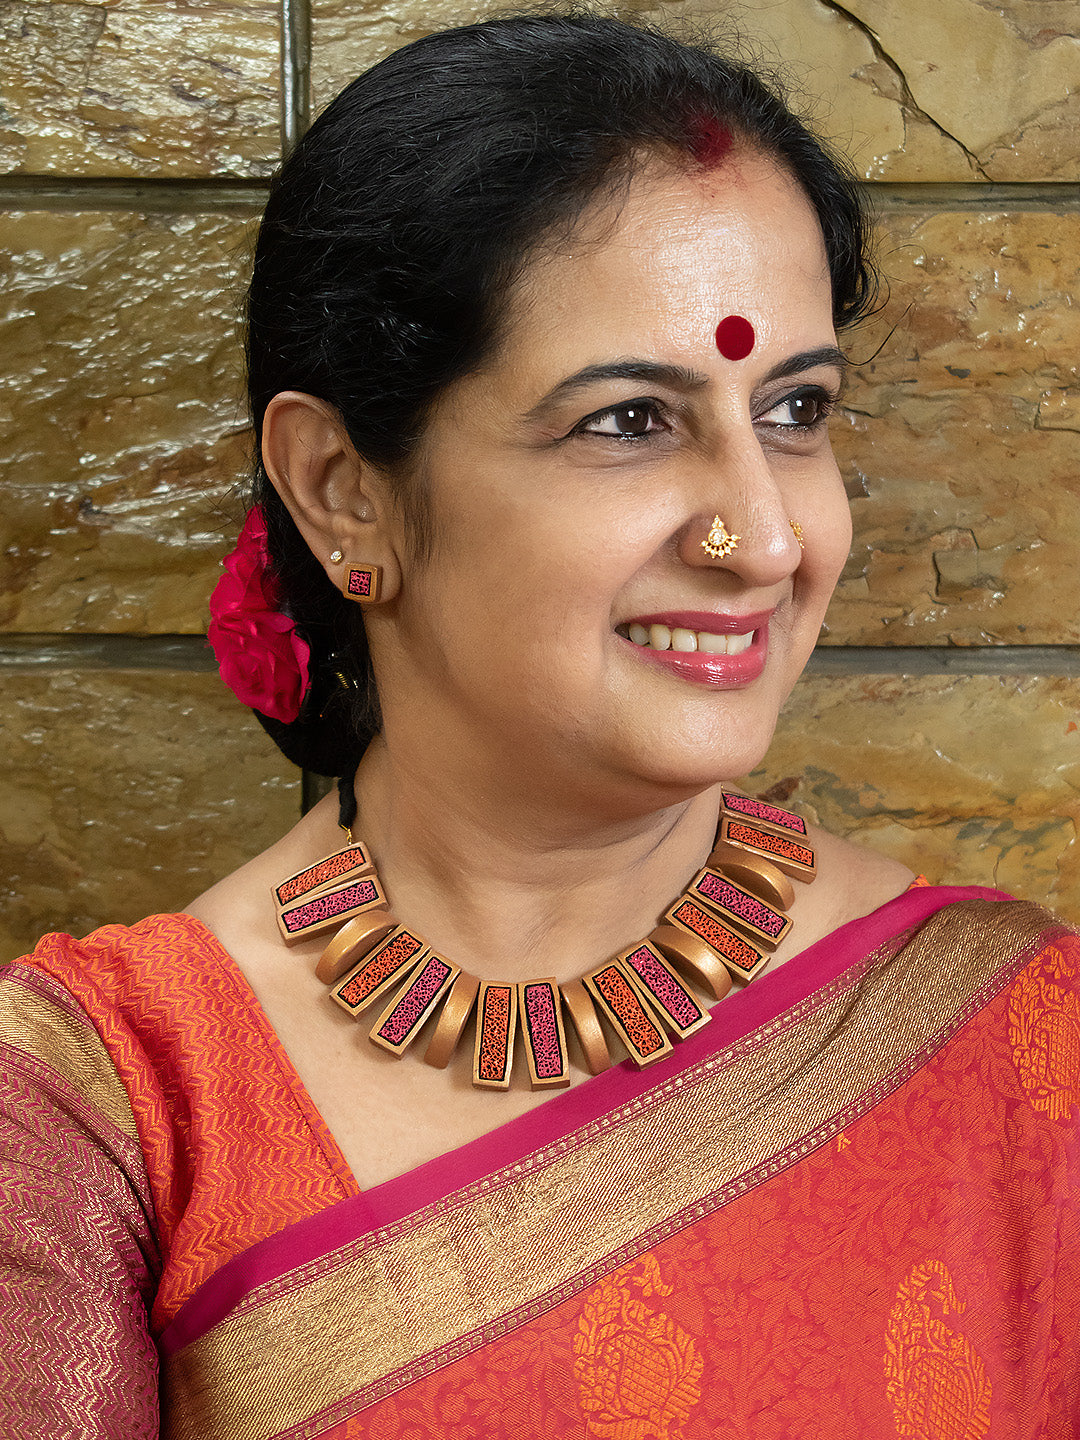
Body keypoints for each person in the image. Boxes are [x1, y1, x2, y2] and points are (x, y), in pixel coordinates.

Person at [3, 11, 1077, 1437]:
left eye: (796, 409)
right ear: (341, 489)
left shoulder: (1024, 1053)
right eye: (629, 421)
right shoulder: (110, 1113)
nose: (764, 537)